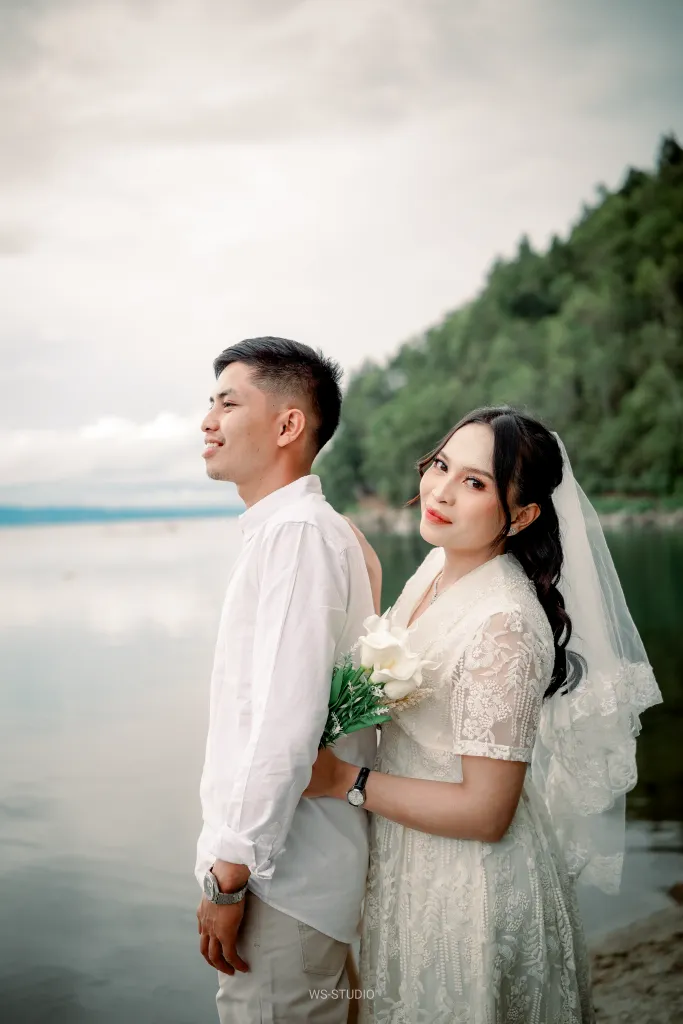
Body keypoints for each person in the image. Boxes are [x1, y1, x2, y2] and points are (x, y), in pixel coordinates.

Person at [303, 406, 662, 1023]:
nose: (440, 491)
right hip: (411, 858)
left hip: (470, 884)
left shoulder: (505, 626)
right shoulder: (440, 568)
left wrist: (344, 780)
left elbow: (487, 812)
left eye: (474, 482)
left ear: (521, 516)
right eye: (441, 465)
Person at [195, 336, 378, 1023]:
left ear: (288, 424)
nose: (207, 421)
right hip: (294, 872)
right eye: (210, 404)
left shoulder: (298, 534)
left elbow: (284, 720)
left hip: (281, 879)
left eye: (227, 403)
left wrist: (229, 873)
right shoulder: (295, 530)